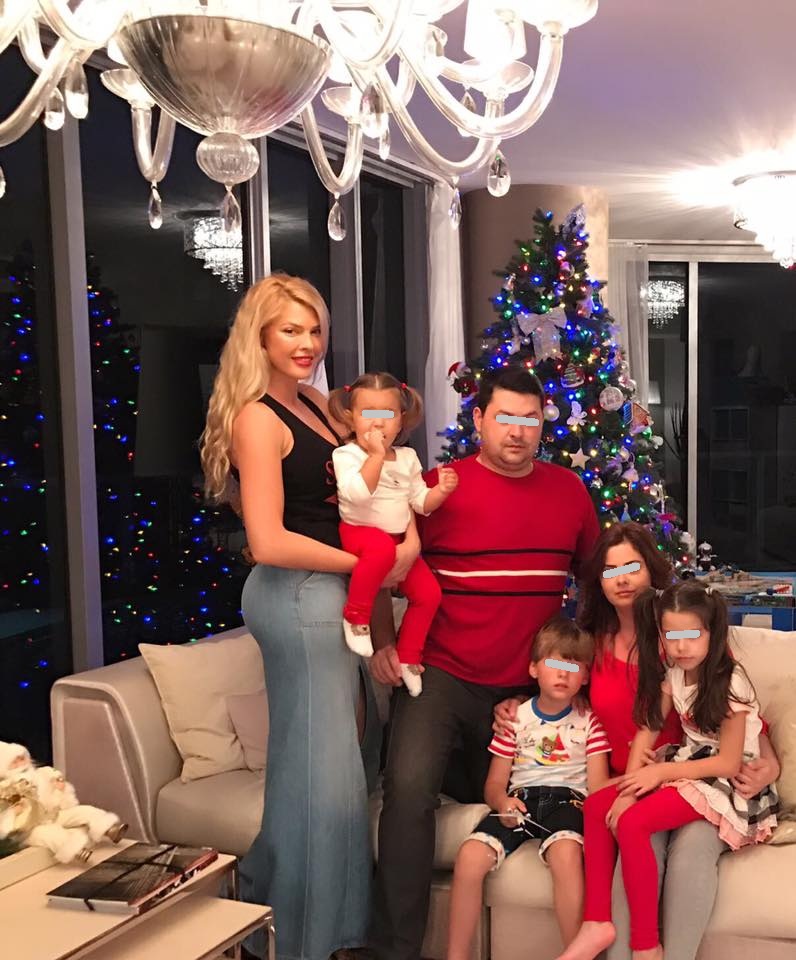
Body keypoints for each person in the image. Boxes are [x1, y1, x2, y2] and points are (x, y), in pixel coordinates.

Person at [369, 367, 601, 960]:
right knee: (408, 790)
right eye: (505, 417)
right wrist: (385, 643)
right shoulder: (435, 488)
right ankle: (395, 951)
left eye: (530, 419)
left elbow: (594, 585)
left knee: (519, 793)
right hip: (441, 676)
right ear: (478, 420)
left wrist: (572, 683)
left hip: (528, 691)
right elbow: (378, 565)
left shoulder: (568, 491)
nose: (518, 431)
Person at [200, 275, 396, 960]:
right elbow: (267, 540)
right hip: (296, 594)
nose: (308, 343)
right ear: (259, 336)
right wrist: (367, 566)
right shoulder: (257, 418)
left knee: (334, 765)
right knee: (325, 777)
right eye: (290, 330)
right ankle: (307, 941)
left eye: (315, 329)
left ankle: (281, 916)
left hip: (332, 592)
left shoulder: (313, 401)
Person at [494, 521, 782, 960]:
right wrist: (517, 704)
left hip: (693, 777)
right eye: (610, 571)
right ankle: (609, 933)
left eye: (632, 566)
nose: (623, 579)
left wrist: (771, 765)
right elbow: (557, 687)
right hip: (636, 777)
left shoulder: (688, 640)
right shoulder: (591, 644)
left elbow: (743, 720)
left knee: (686, 854)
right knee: (626, 832)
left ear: (651, 570)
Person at [557, 581, 779, 960]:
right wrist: (629, 788)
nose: (681, 647)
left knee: (633, 823)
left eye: (692, 635)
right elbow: (648, 728)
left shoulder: (731, 681)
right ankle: (597, 921)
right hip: (688, 762)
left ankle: (646, 944)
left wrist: (658, 775)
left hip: (726, 778)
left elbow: (728, 763)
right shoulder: (674, 673)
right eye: (672, 636)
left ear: (712, 633)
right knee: (596, 807)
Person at [447, 617, 611, 960]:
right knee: (469, 856)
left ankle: (578, 953)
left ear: (585, 676)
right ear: (534, 668)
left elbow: (597, 788)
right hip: (519, 801)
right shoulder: (515, 719)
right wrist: (501, 802)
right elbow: (494, 784)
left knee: (566, 854)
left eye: (573, 667)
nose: (563, 674)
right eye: (554, 664)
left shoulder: (590, 722)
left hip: (570, 803)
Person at [327, 372, 458, 695]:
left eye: (387, 414)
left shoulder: (407, 458)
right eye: (368, 414)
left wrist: (440, 492)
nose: (378, 423)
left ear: (401, 419)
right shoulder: (347, 455)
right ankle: (356, 617)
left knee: (429, 593)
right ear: (351, 418)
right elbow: (357, 496)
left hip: (398, 540)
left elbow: (420, 502)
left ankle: (410, 657)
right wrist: (374, 456)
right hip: (359, 532)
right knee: (381, 550)